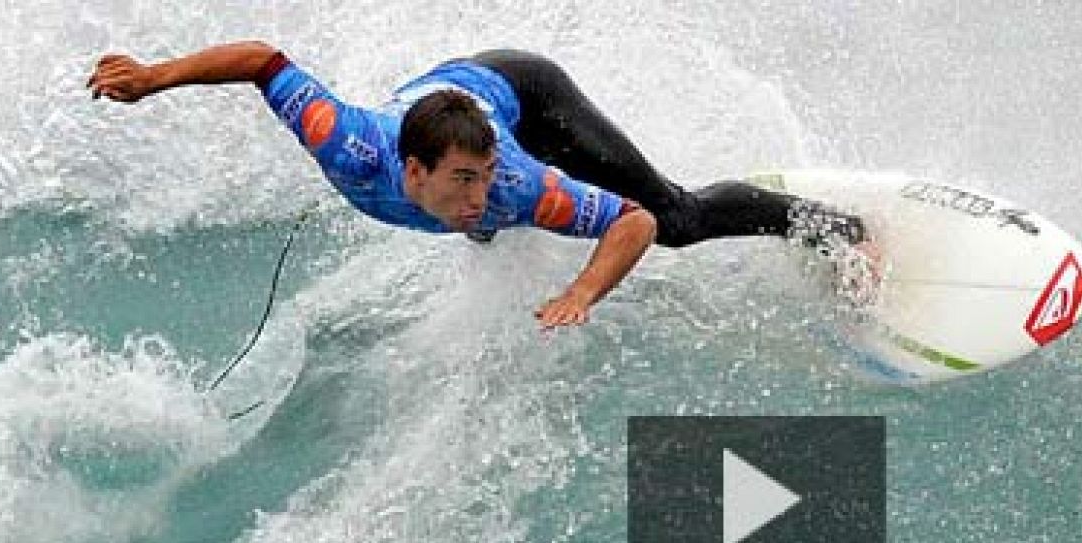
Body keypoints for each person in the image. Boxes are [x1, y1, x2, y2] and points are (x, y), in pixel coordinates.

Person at [86, 41, 875, 328]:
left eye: (484, 182)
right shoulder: (346, 143)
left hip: (528, 93)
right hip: (454, 103)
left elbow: (631, 221)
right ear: (413, 172)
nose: (477, 196)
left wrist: (582, 292)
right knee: (487, 228)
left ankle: (836, 228)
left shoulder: (512, 185)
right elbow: (263, 61)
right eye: (462, 183)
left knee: (677, 220)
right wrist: (153, 79)